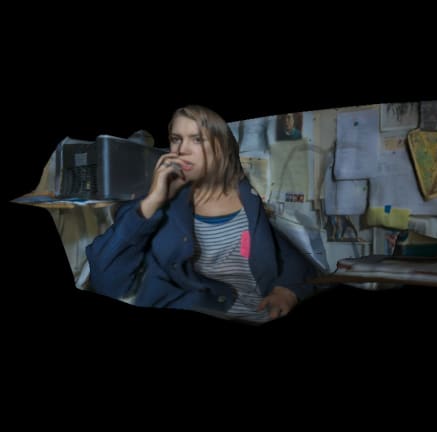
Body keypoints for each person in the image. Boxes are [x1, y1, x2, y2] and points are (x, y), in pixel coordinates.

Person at [86, 105, 318, 324]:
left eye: (196, 139)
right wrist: (153, 201)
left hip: (258, 312)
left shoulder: (249, 197)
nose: (181, 149)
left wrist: (288, 289)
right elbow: (106, 280)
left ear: (221, 147)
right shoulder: (154, 203)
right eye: (176, 139)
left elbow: (287, 254)